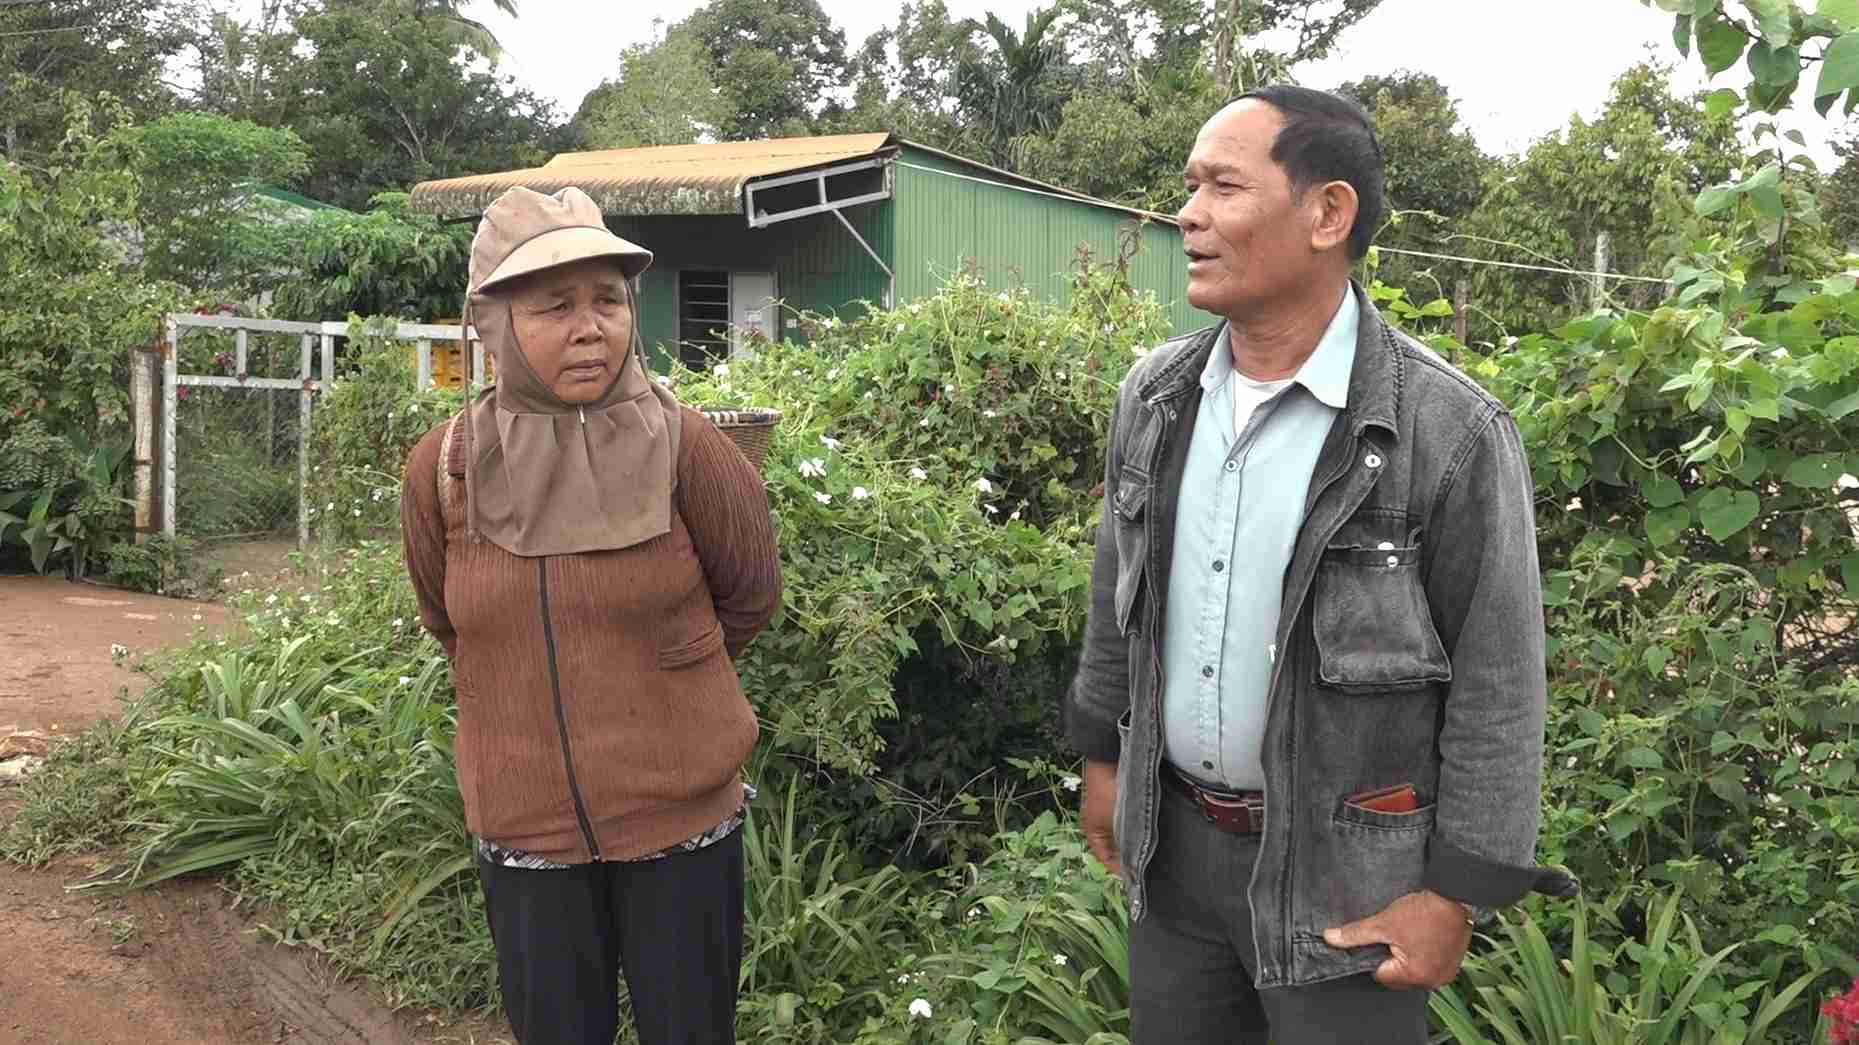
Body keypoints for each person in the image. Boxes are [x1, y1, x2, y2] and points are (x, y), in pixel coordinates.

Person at [1062, 86, 1576, 1045]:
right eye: (1188, 187)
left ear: (1326, 213)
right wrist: (1103, 754)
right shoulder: (1158, 396)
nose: (1188, 213)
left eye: (1222, 185)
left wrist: (1453, 895)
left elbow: (1500, 681)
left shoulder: (1446, 429)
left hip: (1351, 886)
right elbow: (1116, 595)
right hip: (1174, 862)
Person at [400, 185, 781, 1045]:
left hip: (681, 829)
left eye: (607, 299)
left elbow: (749, 596)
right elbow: (445, 618)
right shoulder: (445, 467)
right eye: (555, 304)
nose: (589, 326)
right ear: (494, 321)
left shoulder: (691, 449)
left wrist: (661, 685)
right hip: (526, 834)